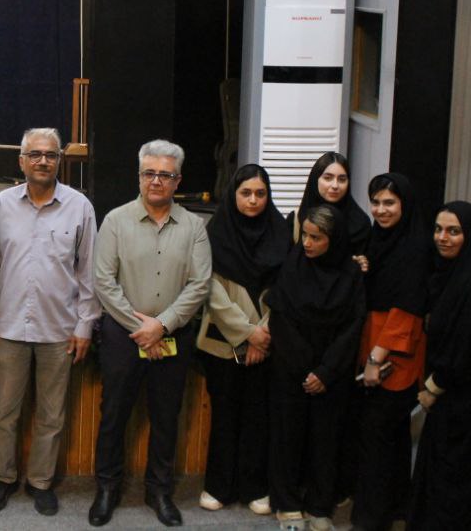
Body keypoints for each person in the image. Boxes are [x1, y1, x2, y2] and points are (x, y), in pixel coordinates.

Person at [89, 139, 211, 528]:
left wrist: (162, 325)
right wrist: (140, 327)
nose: (156, 181)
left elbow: (200, 284)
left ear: (178, 181)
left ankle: (159, 491)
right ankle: (107, 488)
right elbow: (103, 281)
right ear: (139, 176)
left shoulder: (194, 227)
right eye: (149, 173)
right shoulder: (115, 221)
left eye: (165, 175)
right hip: (123, 336)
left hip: (173, 335)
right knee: (113, 414)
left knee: (166, 417)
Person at [0, 128, 99, 517]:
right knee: (3, 412)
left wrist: (84, 325)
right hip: (9, 326)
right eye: (35, 154)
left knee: (51, 415)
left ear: (59, 160)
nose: (43, 161)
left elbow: (88, 272)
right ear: (22, 161)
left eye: (50, 154)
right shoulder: (1, 204)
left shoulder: (80, 207)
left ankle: (40, 482)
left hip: (59, 330)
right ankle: (4, 477)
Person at [196, 164, 289, 518]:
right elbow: (209, 287)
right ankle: (218, 485)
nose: (253, 200)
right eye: (245, 193)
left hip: (268, 342)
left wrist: (262, 334)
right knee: (224, 414)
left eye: (260, 194)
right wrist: (249, 333)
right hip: (224, 341)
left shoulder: (281, 232)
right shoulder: (215, 231)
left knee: (259, 416)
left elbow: (286, 287)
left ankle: (255, 486)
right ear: (233, 195)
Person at [265, 205, 365, 531]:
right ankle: (287, 503)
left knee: (326, 440)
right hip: (291, 368)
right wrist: (305, 368)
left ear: (333, 241)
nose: (307, 243)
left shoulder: (350, 275)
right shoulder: (292, 266)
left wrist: (325, 371)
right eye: (305, 235)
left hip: (331, 373)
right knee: (288, 437)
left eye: (316, 238)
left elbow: (352, 327)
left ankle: (320, 505)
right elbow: (281, 319)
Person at [408, 200, 471, 530]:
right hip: (448, 393)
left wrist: (434, 387)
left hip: (464, 396)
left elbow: (468, 347)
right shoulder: (448, 273)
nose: (442, 238)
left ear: (470, 235)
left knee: (454, 475)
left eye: (453, 231)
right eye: (438, 229)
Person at [349, 174, 430, 531]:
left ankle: (373, 518)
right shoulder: (377, 239)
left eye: (389, 203)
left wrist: (375, 359)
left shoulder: (415, 246)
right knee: (394, 435)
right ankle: (396, 507)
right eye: (376, 202)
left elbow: (408, 308)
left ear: (405, 205)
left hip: (394, 351)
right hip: (374, 340)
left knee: (377, 436)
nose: (381, 210)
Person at [294, 151, 372, 259]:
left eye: (342, 179)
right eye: (328, 178)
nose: (335, 185)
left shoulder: (360, 223)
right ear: (315, 180)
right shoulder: (297, 219)